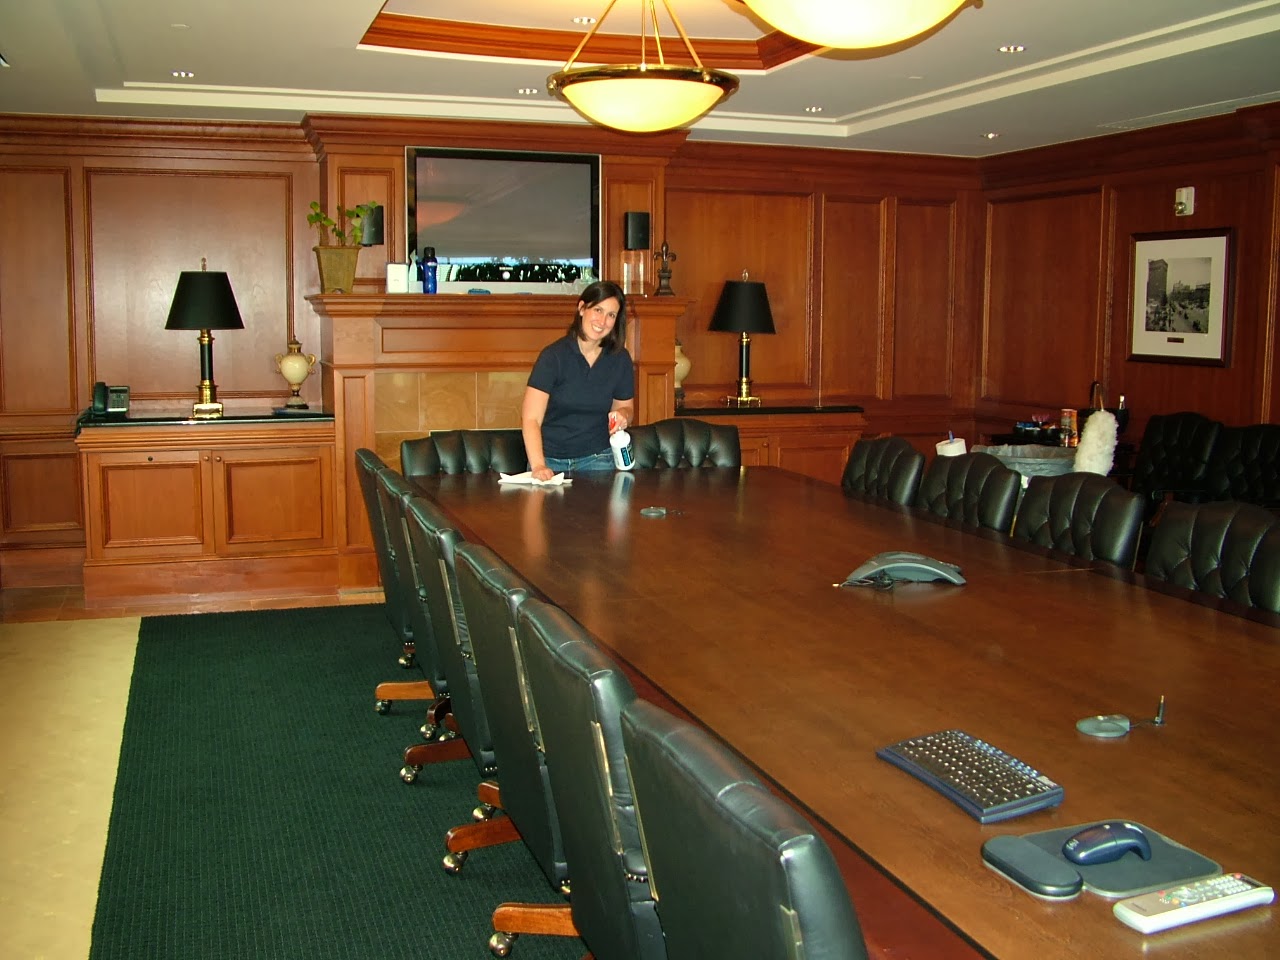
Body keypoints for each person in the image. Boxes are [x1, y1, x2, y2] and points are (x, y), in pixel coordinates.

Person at [522, 280, 635, 480]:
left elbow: (626, 408)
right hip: (549, 460)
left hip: (598, 459)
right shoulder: (553, 357)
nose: (603, 321)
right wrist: (539, 466)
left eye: (611, 315)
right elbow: (531, 419)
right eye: (598, 310)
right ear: (582, 308)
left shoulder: (620, 359)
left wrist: (623, 415)